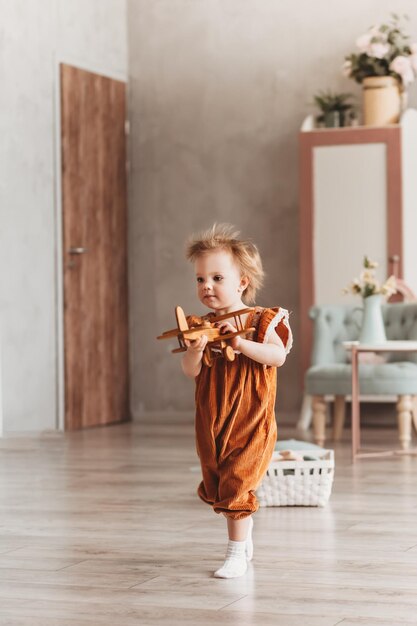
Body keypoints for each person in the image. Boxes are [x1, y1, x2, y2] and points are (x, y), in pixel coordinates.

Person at [181, 223, 292, 578]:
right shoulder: (202, 325)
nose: (206, 286)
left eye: (216, 277)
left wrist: (241, 344)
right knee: (218, 480)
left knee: (238, 480)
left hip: (251, 417)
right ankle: (243, 538)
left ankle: (235, 552)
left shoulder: (262, 320)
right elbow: (190, 371)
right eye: (200, 279)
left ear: (242, 282)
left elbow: (277, 357)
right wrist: (196, 350)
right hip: (213, 418)